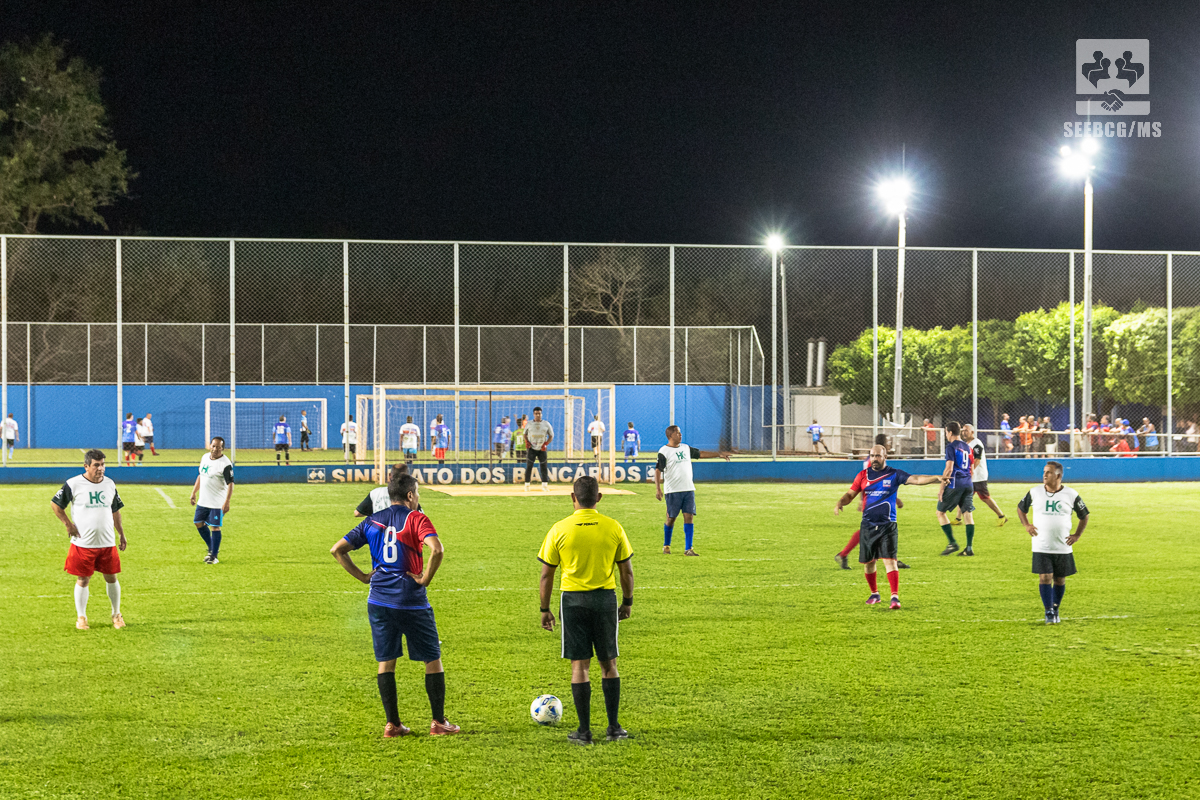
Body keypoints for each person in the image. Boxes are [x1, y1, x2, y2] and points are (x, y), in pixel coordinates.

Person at [331, 470, 459, 738]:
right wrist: (424, 579)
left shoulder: (372, 521)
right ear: (410, 495)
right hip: (410, 601)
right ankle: (438, 722)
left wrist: (365, 577)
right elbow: (437, 549)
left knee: (386, 662)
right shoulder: (417, 518)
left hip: (378, 601)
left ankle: (393, 725)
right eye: (418, 493)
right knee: (432, 659)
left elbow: (337, 550)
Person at [538, 475, 634, 745]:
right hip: (605, 600)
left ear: (573, 497)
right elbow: (625, 570)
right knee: (609, 664)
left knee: (580, 666)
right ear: (599, 498)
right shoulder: (613, 527)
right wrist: (627, 601)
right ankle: (614, 728)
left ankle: (584, 731)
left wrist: (545, 609)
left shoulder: (559, 529)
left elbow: (547, 575)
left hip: (573, 601)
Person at [834, 444, 946, 610]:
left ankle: (895, 597)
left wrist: (936, 478)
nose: (874, 459)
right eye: (872, 456)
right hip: (868, 524)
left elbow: (915, 479)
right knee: (869, 563)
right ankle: (875, 594)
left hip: (888, 525)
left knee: (890, 560)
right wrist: (840, 502)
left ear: (885, 456)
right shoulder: (863, 475)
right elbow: (851, 494)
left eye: (878, 456)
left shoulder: (894, 474)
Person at [51, 449, 127, 630]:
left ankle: (116, 614)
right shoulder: (73, 484)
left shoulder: (109, 484)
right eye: (96, 465)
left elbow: (115, 511)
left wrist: (121, 534)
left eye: (103, 464)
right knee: (83, 579)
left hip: (107, 542)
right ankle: (81, 617)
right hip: (83, 543)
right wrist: (68, 525)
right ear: (86, 466)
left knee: (112, 577)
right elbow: (56, 504)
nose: (100, 468)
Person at [1016, 461, 1089, 624]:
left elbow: (1084, 515)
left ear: (1058, 476)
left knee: (1060, 579)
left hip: (1063, 546)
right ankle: (1048, 611)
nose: (1044, 475)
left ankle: (1055, 608)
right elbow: (1021, 508)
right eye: (1044, 472)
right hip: (1041, 544)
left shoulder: (1071, 494)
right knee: (1045, 577)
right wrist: (1026, 525)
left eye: (1048, 472)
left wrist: (1077, 535)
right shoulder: (1034, 492)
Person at [835, 433, 910, 570]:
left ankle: (845, 554)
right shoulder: (873, 461)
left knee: (874, 529)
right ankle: (844, 554)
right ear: (883, 444)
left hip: (874, 498)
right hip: (872, 499)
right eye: (888, 441)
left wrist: (895, 498)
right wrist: (861, 499)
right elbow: (868, 482)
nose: (889, 444)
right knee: (874, 530)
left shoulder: (874, 458)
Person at [654, 425, 731, 556]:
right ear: (670, 435)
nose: (680, 435)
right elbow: (658, 470)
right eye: (677, 433)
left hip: (688, 489)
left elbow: (700, 454)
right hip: (672, 490)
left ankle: (688, 548)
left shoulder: (685, 448)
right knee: (671, 518)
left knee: (689, 516)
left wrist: (718, 454)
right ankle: (666, 545)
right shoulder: (664, 451)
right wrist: (658, 489)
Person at [189, 436, 234, 565]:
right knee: (198, 522)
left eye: (218, 447)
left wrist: (227, 501)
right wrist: (194, 492)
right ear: (210, 445)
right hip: (203, 500)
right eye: (213, 446)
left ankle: (214, 556)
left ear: (222, 448)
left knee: (215, 527)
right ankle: (212, 547)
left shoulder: (225, 464)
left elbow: (231, 483)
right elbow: (201, 476)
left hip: (217, 502)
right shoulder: (204, 457)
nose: (215, 449)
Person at [954, 424, 1007, 528]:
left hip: (978, 476)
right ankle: (958, 518)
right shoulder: (966, 444)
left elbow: (977, 460)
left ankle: (1001, 516)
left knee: (985, 498)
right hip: (972, 476)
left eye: (966, 430)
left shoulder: (977, 444)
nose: (964, 432)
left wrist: (969, 471)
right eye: (963, 430)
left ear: (972, 432)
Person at [937, 421, 975, 556]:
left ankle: (952, 543)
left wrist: (941, 488)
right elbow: (971, 469)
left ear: (950, 432)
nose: (946, 435)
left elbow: (949, 469)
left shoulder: (951, 447)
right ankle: (969, 548)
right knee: (967, 514)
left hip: (955, 483)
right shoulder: (968, 447)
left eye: (946, 432)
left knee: (940, 512)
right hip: (968, 482)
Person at [523, 407, 554, 493]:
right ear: (533, 414)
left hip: (542, 449)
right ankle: (527, 486)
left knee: (543, 467)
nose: (538, 415)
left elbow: (551, 435)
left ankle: (544, 486)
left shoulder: (546, 424)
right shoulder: (529, 424)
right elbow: (524, 434)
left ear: (541, 414)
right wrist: (527, 442)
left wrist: (546, 444)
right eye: (536, 413)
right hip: (531, 448)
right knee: (529, 467)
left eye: (539, 413)